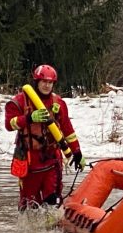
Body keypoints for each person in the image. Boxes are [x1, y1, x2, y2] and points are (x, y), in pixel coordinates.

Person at [5, 64, 86, 211]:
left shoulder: (58, 103)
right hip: (30, 160)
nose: (47, 85)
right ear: (36, 81)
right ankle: (31, 231)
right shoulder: (20, 101)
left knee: (53, 198)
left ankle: (52, 229)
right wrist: (28, 118)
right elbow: (9, 125)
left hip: (52, 158)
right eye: (44, 82)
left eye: (50, 83)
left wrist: (77, 152)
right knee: (29, 203)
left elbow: (68, 130)